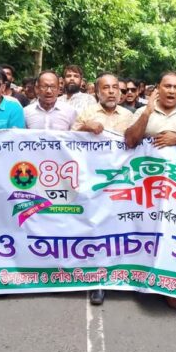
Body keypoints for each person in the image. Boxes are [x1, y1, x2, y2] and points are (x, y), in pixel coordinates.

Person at [124, 72, 176, 310]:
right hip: (146, 191)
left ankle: (171, 285)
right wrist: (147, 112)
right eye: (167, 86)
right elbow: (130, 141)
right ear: (158, 89)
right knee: (146, 233)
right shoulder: (143, 111)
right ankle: (142, 277)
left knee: (173, 234)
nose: (171, 91)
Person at [72, 72, 134, 306]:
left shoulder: (129, 116)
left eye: (115, 87)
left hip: (122, 183)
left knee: (119, 229)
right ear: (97, 92)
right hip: (92, 182)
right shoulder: (87, 113)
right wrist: (85, 127)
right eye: (106, 88)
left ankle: (122, 274)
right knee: (95, 229)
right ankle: (97, 281)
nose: (111, 91)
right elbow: (65, 142)